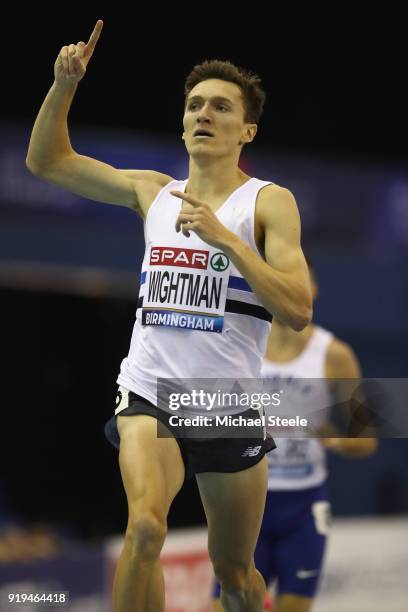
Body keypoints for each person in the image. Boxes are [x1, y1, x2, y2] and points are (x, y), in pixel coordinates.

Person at [26, 20, 312, 612]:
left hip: (224, 401)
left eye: (221, 107)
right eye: (194, 105)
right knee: (146, 527)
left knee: (233, 574)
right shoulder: (151, 192)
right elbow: (48, 162)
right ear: (183, 122)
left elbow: (298, 308)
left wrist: (228, 242)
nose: (204, 114)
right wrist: (62, 85)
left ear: (247, 130)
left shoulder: (266, 202)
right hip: (149, 389)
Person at [212, 258, 378, 612]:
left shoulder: (335, 355)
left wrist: (332, 439)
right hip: (246, 500)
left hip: (303, 508)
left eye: (299, 281)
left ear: (312, 289)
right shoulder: (240, 344)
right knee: (228, 605)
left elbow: (368, 439)